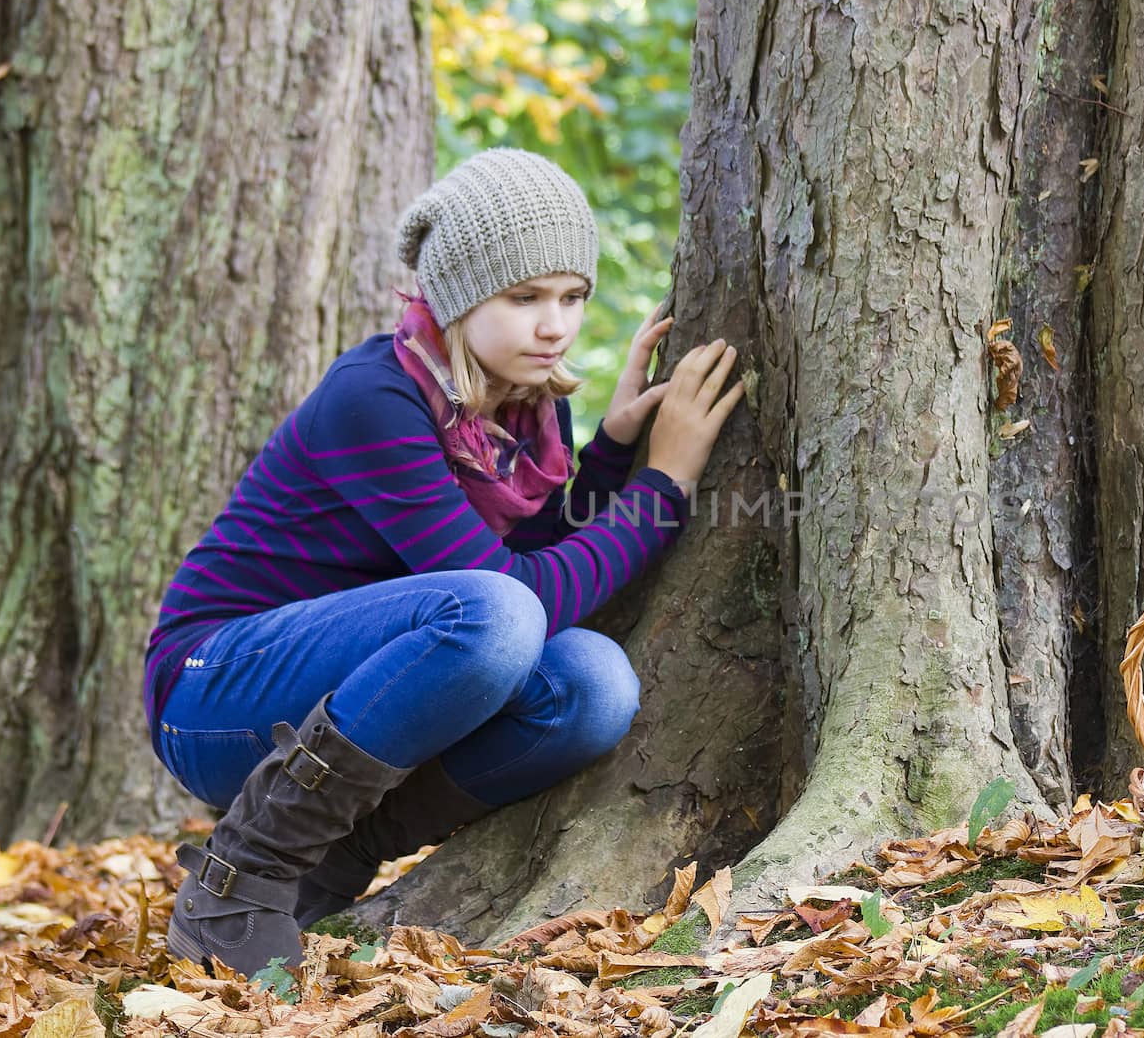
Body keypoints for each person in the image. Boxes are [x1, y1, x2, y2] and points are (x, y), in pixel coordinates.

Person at [144, 148, 744, 976]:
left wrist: (609, 452)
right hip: (212, 690)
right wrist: (664, 484)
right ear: (460, 296)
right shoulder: (374, 397)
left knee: (592, 685)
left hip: (361, 688)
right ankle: (236, 876)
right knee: (496, 616)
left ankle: (338, 854)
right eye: (525, 296)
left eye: (574, 297)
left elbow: (525, 557)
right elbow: (509, 592)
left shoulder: (527, 412)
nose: (555, 325)